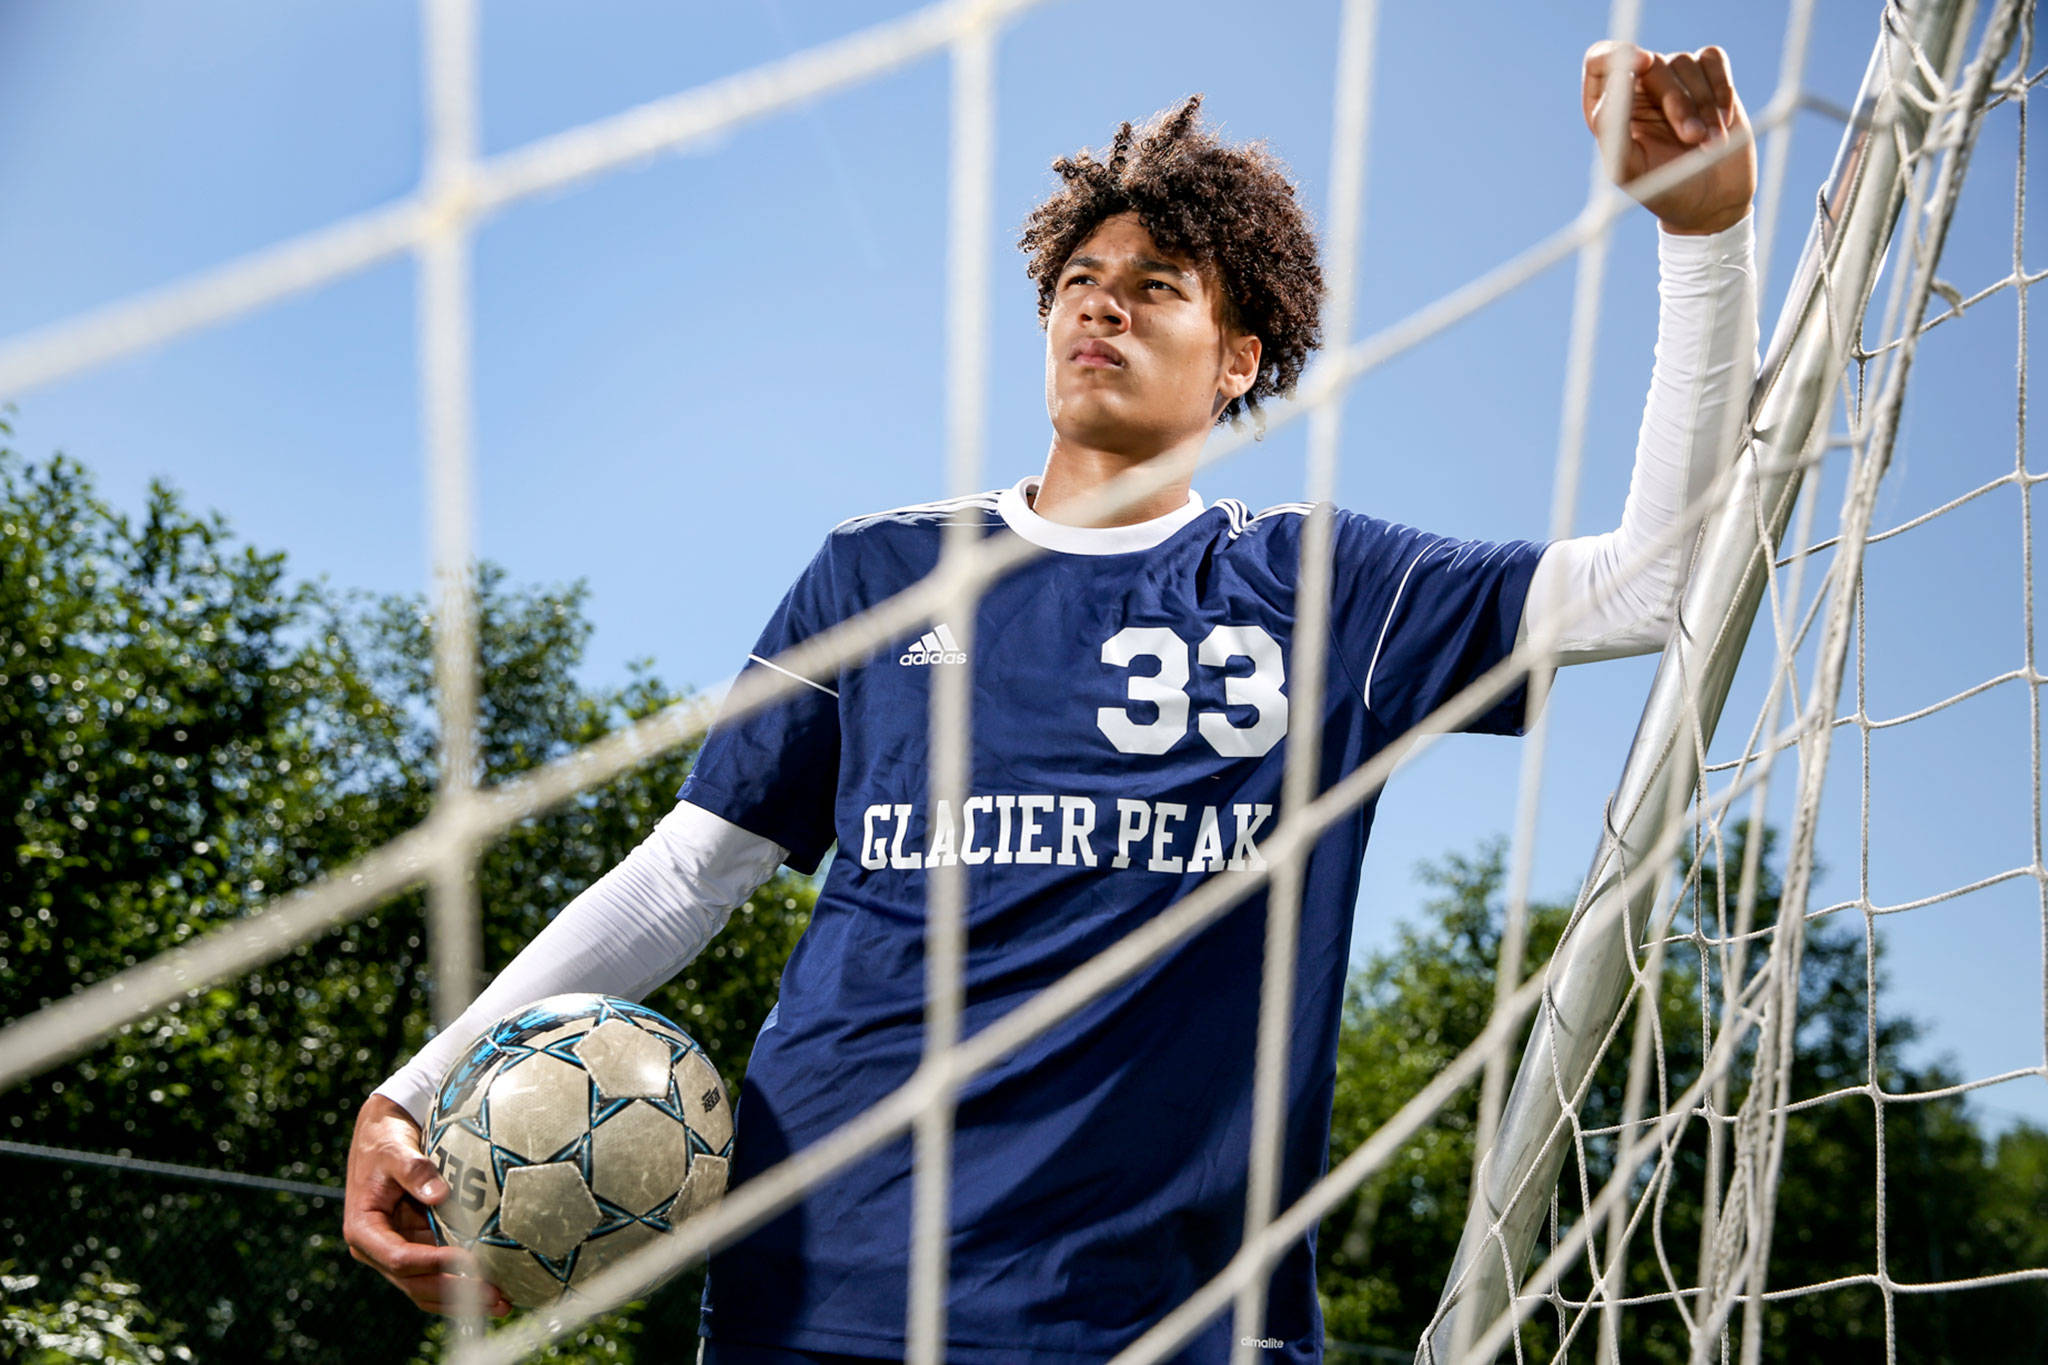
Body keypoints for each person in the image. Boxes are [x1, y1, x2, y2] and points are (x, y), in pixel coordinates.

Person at [344, 40, 1758, 1364]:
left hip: (1160, 1315)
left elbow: (1657, 580)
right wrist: (416, 1086)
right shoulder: (881, 571)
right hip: (820, 1289)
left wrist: (1703, 239)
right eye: (1083, 275)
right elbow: (684, 878)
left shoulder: (1325, 589)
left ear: (1241, 357)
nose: (1104, 300)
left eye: (1158, 285)